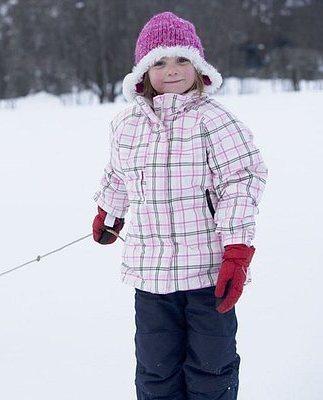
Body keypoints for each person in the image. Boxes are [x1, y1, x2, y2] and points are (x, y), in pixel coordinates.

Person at [92, 12, 267, 400]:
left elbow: (241, 182)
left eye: (181, 59)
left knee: (211, 369)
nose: (171, 70)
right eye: (159, 62)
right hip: (151, 278)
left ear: (199, 66)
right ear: (142, 71)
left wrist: (237, 252)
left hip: (207, 275)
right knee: (155, 372)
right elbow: (118, 174)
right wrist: (110, 211)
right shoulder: (126, 125)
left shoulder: (215, 120)